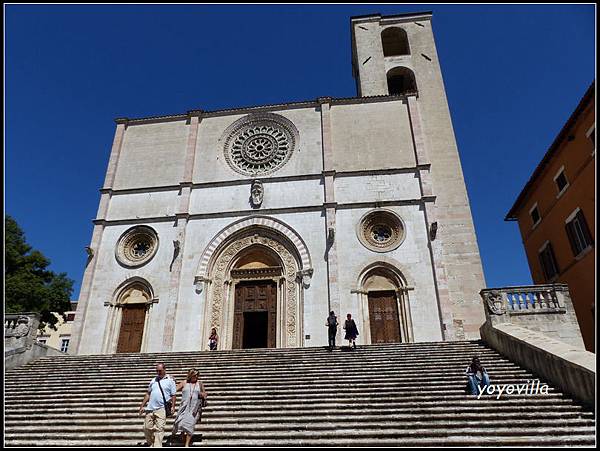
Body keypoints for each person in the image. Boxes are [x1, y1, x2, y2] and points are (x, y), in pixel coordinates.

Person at [139, 362, 177, 447]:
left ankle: (157, 446)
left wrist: (173, 406)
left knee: (160, 429)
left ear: (164, 370)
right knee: (146, 428)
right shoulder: (153, 380)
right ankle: (151, 443)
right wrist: (142, 406)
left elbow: (173, 395)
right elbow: (148, 393)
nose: (158, 372)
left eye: (160, 370)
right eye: (157, 371)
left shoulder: (170, 380)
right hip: (150, 408)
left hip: (161, 408)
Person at [171, 369, 207, 447]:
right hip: (184, 407)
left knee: (190, 425)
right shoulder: (184, 382)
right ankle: (182, 434)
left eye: (197, 375)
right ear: (190, 375)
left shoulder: (200, 384)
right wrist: (171, 382)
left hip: (195, 408)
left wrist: (203, 395)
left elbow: (205, 394)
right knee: (179, 422)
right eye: (194, 375)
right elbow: (173, 390)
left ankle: (186, 444)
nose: (196, 376)